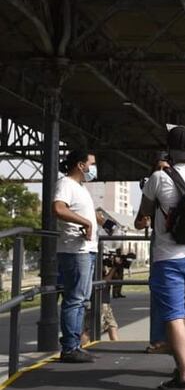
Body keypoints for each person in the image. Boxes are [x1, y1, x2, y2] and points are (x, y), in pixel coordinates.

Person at [135, 126, 185, 390]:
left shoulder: (159, 177)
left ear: (170, 150)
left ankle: (184, 378)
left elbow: (143, 216)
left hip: (169, 257)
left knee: (173, 316)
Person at [52, 150, 104, 363]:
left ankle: (75, 345)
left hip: (86, 250)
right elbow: (58, 208)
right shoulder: (65, 184)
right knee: (75, 299)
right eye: (92, 163)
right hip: (75, 251)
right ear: (81, 165)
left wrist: (96, 220)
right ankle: (69, 347)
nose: (94, 168)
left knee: (81, 300)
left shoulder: (80, 188)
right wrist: (86, 222)